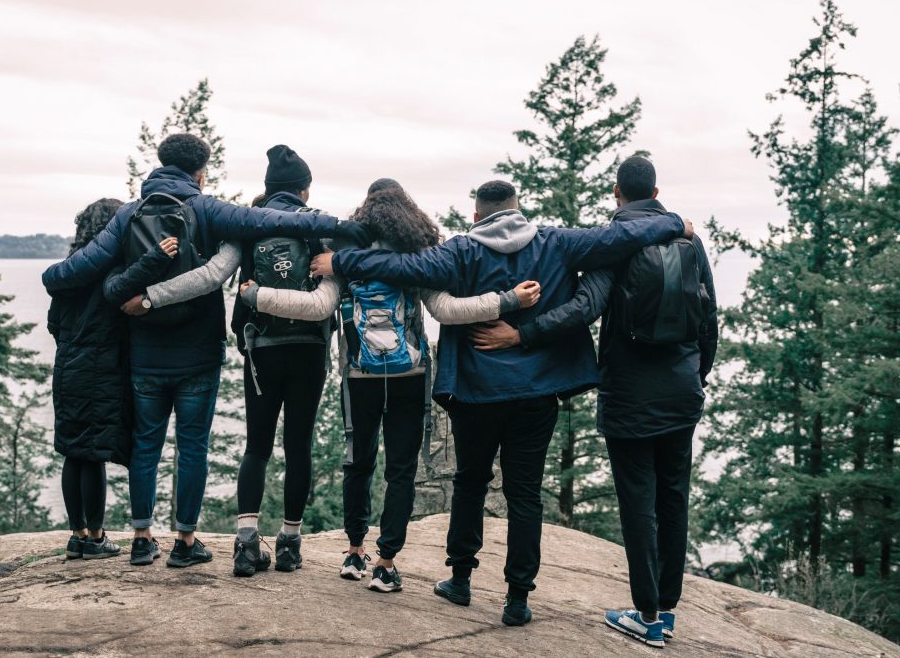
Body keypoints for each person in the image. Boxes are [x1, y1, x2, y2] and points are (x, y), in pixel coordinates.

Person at [312, 179, 692, 627]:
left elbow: (403, 266)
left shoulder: (460, 251)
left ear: (476, 216)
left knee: (470, 483)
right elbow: (618, 237)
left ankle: (461, 580)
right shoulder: (557, 242)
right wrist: (672, 223)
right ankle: (517, 598)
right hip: (537, 393)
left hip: (476, 392)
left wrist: (341, 259)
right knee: (525, 495)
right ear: (518, 210)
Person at [42, 134, 371, 569]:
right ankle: (184, 542)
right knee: (193, 446)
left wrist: (83, 281)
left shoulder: (127, 214)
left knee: (146, 445)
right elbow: (265, 222)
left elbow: (67, 274)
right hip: (198, 352)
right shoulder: (206, 208)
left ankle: (141, 539)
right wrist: (336, 227)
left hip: (145, 352)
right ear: (201, 172)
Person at [238, 178, 540, 593]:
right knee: (400, 470)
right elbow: (448, 311)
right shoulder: (418, 258)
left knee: (357, 464)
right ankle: (386, 562)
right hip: (410, 375)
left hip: (359, 375)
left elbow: (317, 307)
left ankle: (354, 552)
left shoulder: (344, 257)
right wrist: (507, 301)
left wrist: (256, 296)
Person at [470, 157, 718, 648]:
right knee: (673, 498)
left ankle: (646, 614)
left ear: (616, 193)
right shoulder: (689, 240)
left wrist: (521, 335)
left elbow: (583, 309)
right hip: (682, 393)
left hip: (630, 396)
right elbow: (708, 314)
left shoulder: (618, 245)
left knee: (638, 504)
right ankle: (666, 611)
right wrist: (697, 373)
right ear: (656, 191)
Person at [46, 198, 178, 561]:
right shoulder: (113, 269)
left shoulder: (71, 271)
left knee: (73, 451)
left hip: (68, 366)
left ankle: (77, 535)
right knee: (93, 453)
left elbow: (54, 323)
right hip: (101, 369)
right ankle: (96, 535)